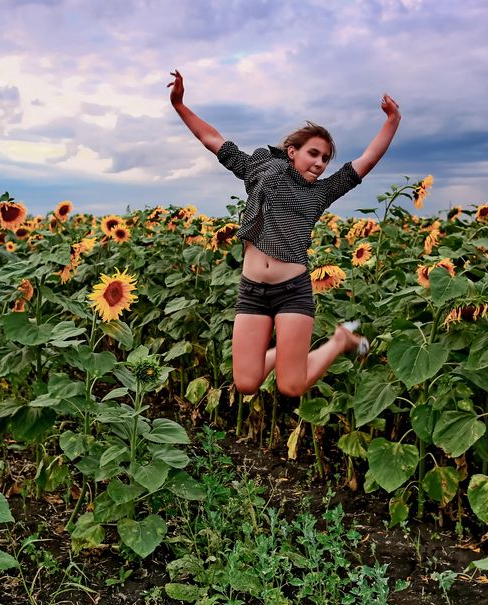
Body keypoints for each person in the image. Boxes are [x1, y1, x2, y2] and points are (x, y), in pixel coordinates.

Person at [168, 69, 400, 397]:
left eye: (325, 159)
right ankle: (293, 352)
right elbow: (213, 140)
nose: (320, 163)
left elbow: (368, 158)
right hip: (252, 290)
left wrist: (392, 121)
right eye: (313, 153)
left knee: (291, 386)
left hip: (292, 291)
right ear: (293, 151)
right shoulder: (258, 170)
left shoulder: (322, 191)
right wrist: (179, 105)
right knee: (246, 383)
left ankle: (338, 341)